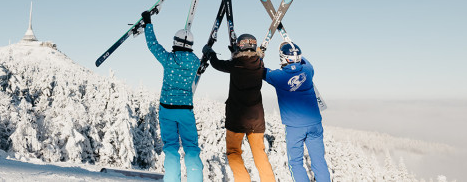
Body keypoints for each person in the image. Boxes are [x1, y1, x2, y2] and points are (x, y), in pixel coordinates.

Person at [202, 34, 276, 182]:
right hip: (256, 119)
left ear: (239, 47)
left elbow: (217, 64)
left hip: (236, 119)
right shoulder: (259, 64)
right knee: (260, 155)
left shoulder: (235, 64)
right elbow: (255, 57)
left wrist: (210, 53)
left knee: (233, 153)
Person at [141, 10, 204, 182]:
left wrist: (148, 23)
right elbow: (202, 66)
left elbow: (153, 45)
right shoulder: (196, 62)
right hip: (185, 110)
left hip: (167, 109)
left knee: (171, 148)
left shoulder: (169, 59)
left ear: (175, 42)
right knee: (191, 148)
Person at [263, 41, 330, 182]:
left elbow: (258, 69)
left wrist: (260, 55)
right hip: (315, 124)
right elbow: (305, 61)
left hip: (295, 127)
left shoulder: (277, 76)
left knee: (296, 163)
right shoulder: (308, 71)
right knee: (319, 161)